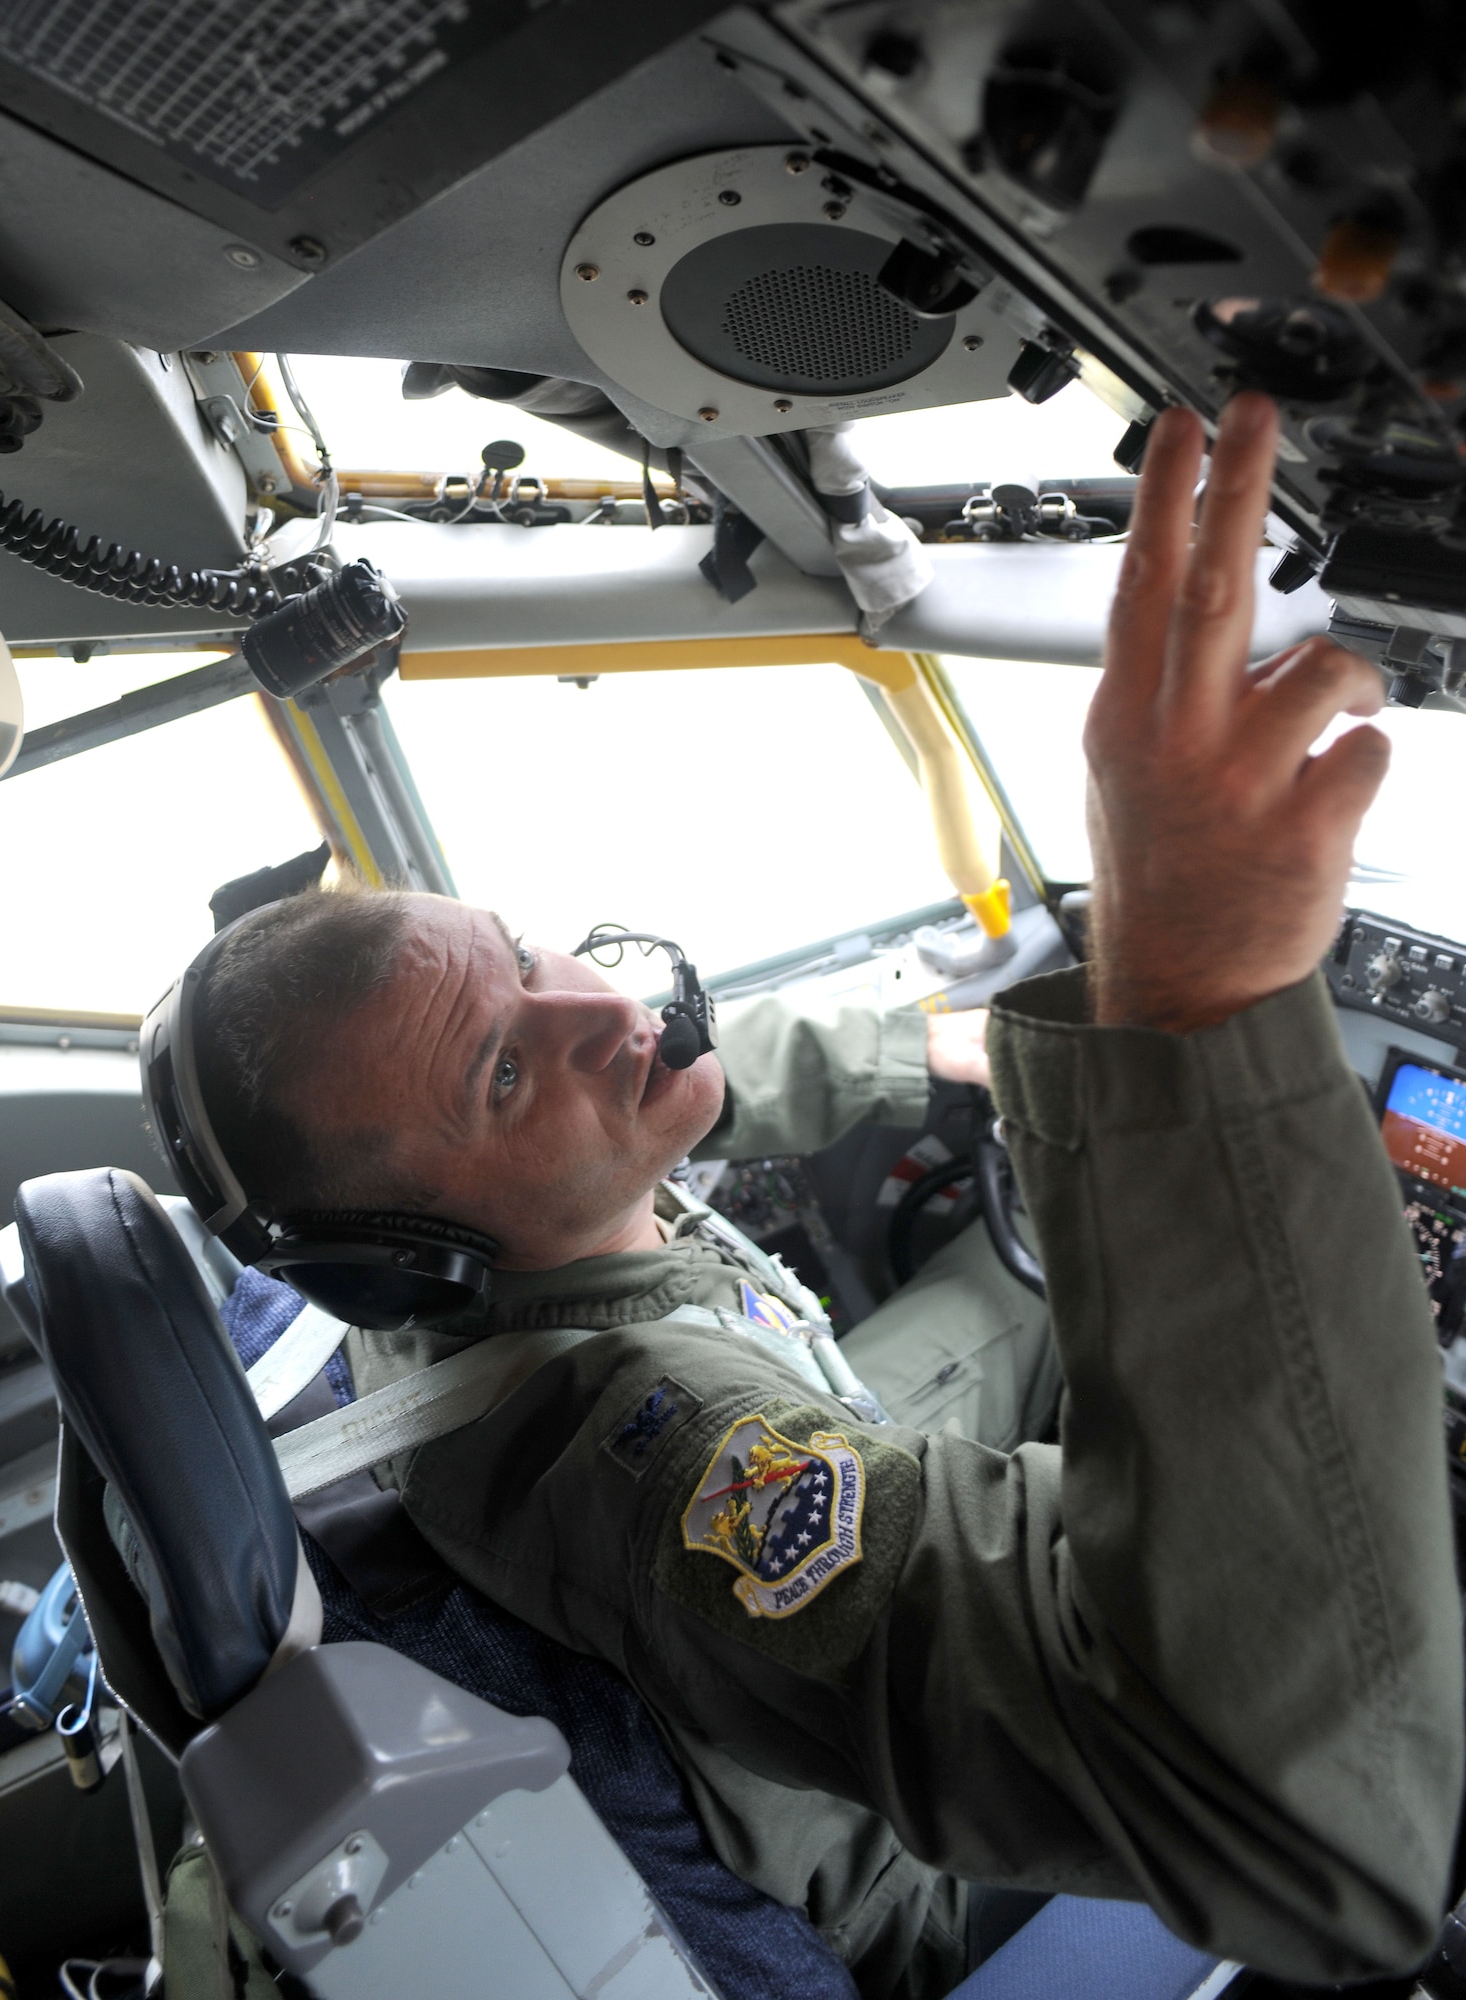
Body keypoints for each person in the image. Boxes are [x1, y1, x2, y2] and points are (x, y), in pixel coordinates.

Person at [187, 393, 1462, 1992]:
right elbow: (1332, 1844)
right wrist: (1195, 983)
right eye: (501, 1072)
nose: (608, 1012)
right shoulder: (664, 1470)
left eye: (518, 951)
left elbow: (695, 1063)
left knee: (1026, 1290)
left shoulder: (485, 1256)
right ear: (411, 1251)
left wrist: (924, 1040)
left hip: (793, 1465)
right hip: (926, 1875)